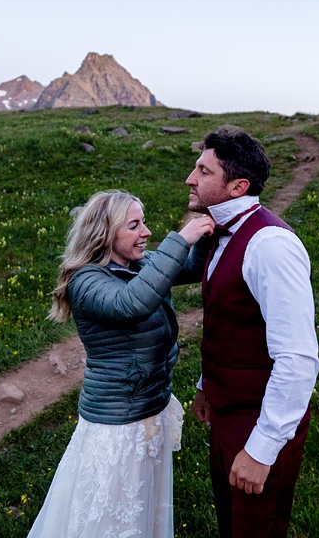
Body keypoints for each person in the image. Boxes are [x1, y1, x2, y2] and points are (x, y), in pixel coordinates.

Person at [28, 189, 215, 538]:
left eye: (143, 222)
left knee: (141, 515)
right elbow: (132, 302)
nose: (146, 231)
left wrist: (206, 232)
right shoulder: (85, 281)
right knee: (113, 523)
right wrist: (181, 237)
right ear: (105, 233)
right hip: (118, 428)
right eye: (134, 225)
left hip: (147, 411)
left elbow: (188, 266)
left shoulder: (137, 265)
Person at [186, 129, 319, 538]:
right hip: (227, 411)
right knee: (231, 525)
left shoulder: (270, 246)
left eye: (203, 170)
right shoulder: (220, 232)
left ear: (237, 186)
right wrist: (207, 384)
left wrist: (262, 450)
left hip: (260, 421)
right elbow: (228, 320)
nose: (190, 179)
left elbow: (298, 359)